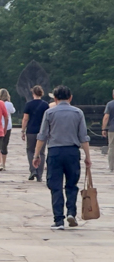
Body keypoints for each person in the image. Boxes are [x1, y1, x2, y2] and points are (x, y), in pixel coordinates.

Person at [33, 86, 90, 229]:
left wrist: (36, 154)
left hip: (55, 152)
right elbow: (83, 137)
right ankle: (71, 212)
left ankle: (59, 220)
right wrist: (87, 157)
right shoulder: (78, 113)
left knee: (55, 186)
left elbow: (42, 136)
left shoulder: (49, 113)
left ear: (55, 99)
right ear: (70, 98)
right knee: (72, 184)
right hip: (72, 152)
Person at [22, 85, 49, 181]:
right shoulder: (45, 105)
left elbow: (25, 119)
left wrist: (23, 130)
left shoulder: (28, 104)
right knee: (41, 152)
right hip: (42, 131)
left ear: (33, 93)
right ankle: (40, 174)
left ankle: (33, 169)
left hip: (31, 131)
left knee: (30, 151)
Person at [0, 88, 16, 171]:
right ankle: (3, 163)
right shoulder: (9, 104)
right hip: (7, 126)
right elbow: (13, 111)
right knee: (5, 144)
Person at [102, 89, 114, 172]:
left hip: (112, 129)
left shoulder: (110, 104)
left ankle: (111, 166)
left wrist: (104, 128)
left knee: (112, 147)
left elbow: (106, 117)